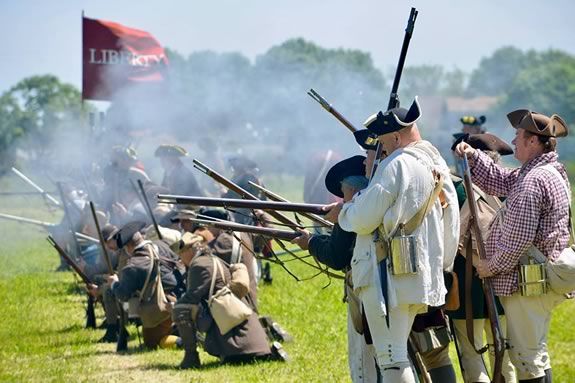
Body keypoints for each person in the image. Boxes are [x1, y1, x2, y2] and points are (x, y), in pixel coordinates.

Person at [331, 97, 459, 382]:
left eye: (384, 141)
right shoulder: (433, 162)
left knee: (391, 357)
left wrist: (344, 212)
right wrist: (443, 266)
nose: (381, 148)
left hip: (389, 277)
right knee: (396, 354)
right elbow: (452, 223)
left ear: (398, 136)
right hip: (418, 274)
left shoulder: (396, 165)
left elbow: (364, 219)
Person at [455, 109, 571, 383]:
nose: (514, 140)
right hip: (535, 279)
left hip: (528, 282)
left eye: (519, 135)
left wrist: (488, 266)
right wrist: (474, 155)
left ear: (533, 141)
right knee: (532, 355)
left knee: (527, 359)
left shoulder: (533, 181)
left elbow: (516, 243)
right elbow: (499, 180)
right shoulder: (545, 172)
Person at [292, 151, 379, 383]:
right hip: (383, 287)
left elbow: (336, 255)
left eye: (343, 192)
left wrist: (309, 242)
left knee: (364, 356)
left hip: (364, 288)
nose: (341, 198)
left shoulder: (352, 211)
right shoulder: (372, 203)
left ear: (349, 190)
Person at [448, 133, 517, 383]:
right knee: (506, 356)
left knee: (471, 354)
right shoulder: (509, 192)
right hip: (505, 283)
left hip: (468, 290)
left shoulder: (455, 190)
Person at [171, 233, 286, 369]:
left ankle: (191, 358)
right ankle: (267, 353)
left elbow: (190, 299)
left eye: (181, 254)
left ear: (189, 251)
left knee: (180, 310)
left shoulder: (199, 265)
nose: (180, 259)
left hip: (236, 337)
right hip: (241, 329)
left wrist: (173, 306)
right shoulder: (211, 259)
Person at [106, 221, 180, 349]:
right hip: (178, 299)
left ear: (127, 247)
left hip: (160, 310)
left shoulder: (132, 267)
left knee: (152, 344)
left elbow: (123, 295)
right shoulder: (161, 245)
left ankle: (184, 340)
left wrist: (114, 284)